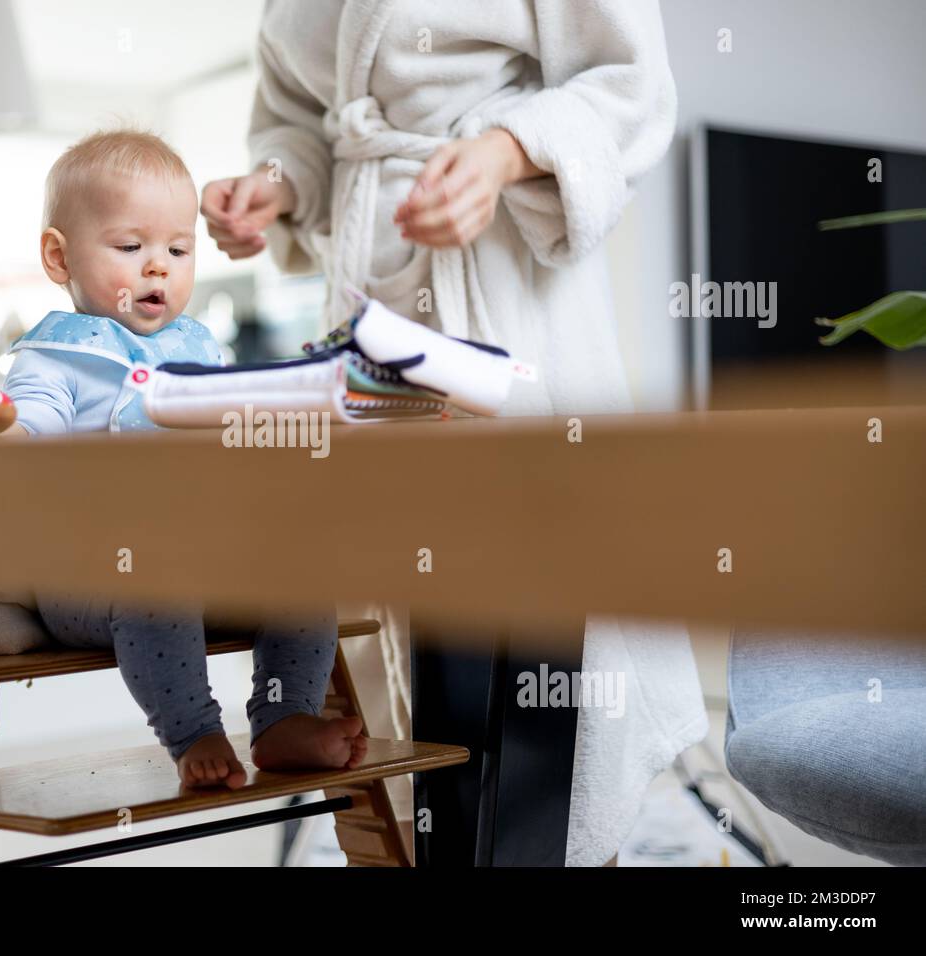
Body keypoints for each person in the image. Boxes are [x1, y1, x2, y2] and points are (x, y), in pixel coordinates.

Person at [201, 0, 708, 866]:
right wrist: (276, 185)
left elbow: (632, 83)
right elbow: (299, 121)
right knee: (395, 645)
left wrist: (507, 152)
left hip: (507, 299)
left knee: (540, 640)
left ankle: (552, 848)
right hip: (373, 318)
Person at [0, 129, 368, 789]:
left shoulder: (199, 349)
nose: (159, 266)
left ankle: (283, 718)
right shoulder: (55, 359)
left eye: (179, 249)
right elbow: (27, 435)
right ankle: (192, 733)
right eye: (130, 247)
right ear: (59, 258)